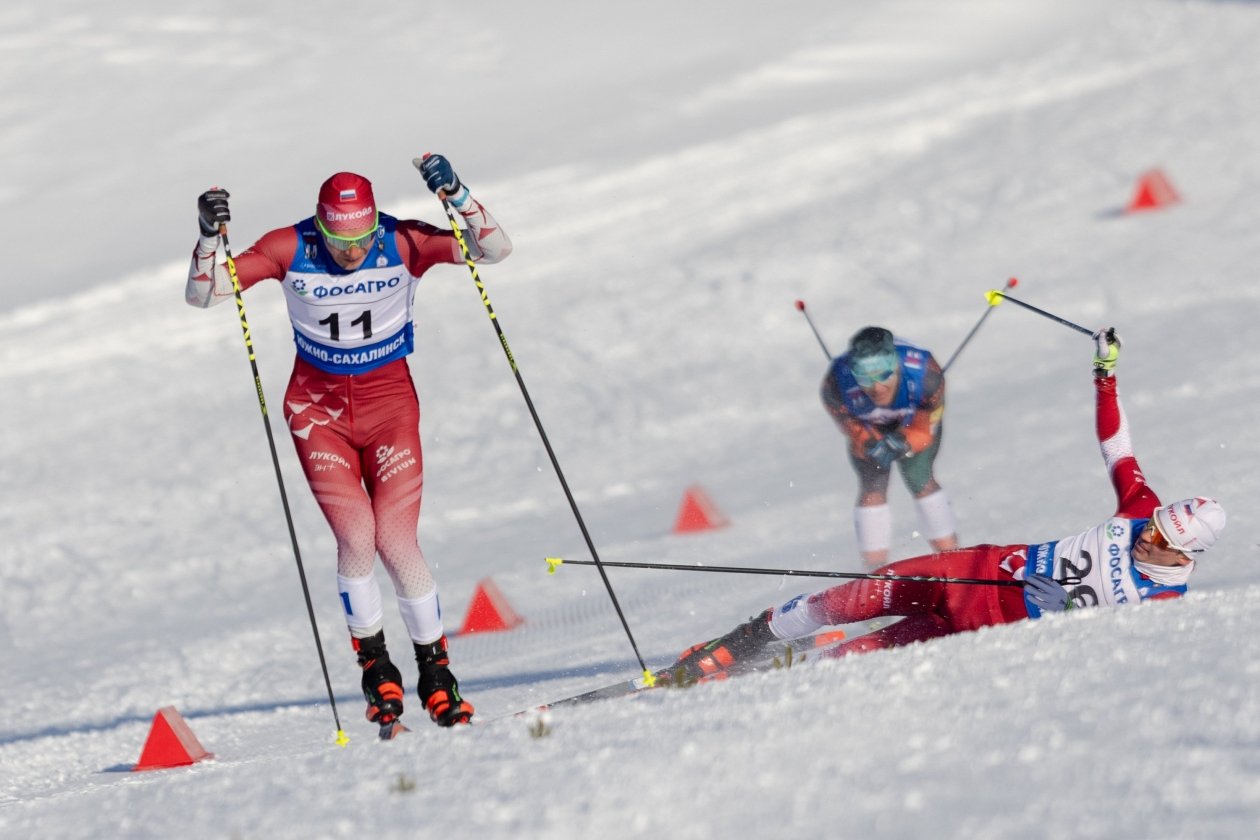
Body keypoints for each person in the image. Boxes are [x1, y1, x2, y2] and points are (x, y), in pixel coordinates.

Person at [670, 330, 1226, 681]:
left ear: (1184, 552)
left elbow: (1100, 667)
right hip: (964, 571)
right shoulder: (1139, 511)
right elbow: (1117, 445)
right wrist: (1106, 378)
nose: (1147, 533)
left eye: (1159, 537)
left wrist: (1067, 613)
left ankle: (774, 672)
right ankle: (736, 645)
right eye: (1153, 523)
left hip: (970, 632)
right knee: (842, 598)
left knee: (843, 664)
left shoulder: (1161, 605)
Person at [185, 155, 512, 731]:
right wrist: (209, 236)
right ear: (321, 224)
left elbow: (494, 250)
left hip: (390, 411)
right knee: (357, 536)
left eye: (362, 238)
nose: (352, 252)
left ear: (374, 225)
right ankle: (376, 667)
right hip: (318, 415)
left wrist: (457, 195)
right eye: (340, 240)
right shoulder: (289, 247)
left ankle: (437, 674)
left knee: (397, 540)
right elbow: (206, 295)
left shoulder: (404, 241)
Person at [822, 326, 958, 568]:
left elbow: (927, 427)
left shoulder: (926, 375)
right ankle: (875, 571)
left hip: (916, 420)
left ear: (896, 366)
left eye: (884, 374)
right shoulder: (836, 384)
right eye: (864, 378)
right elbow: (852, 428)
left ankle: (953, 560)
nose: (876, 387)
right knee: (872, 485)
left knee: (919, 477)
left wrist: (905, 440)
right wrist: (868, 442)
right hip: (869, 425)